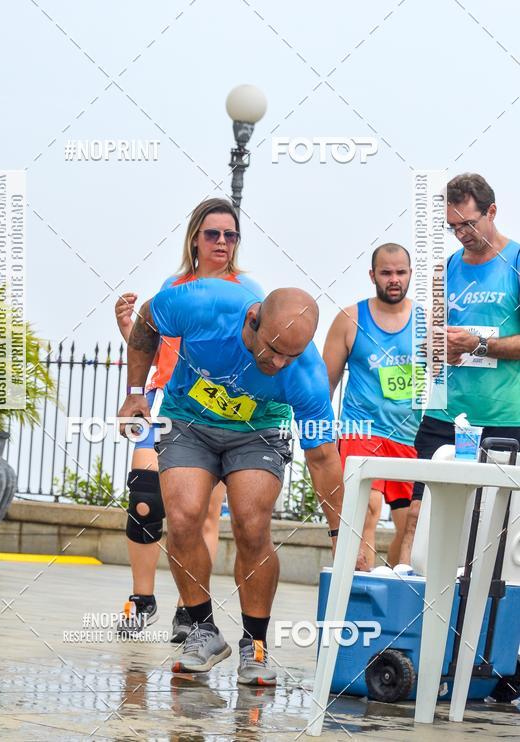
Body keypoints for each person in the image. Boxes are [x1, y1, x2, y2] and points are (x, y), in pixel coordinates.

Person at [119, 280, 349, 686]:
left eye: (289, 356)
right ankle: (203, 630)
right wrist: (136, 392)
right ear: (253, 319)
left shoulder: (306, 374)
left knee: (251, 522)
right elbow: (148, 320)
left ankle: (255, 646)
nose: (279, 363)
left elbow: (323, 457)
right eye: (273, 350)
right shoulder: (205, 306)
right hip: (189, 421)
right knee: (185, 515)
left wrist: (339, 533)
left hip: (258, 431)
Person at [115, 197, 268, 642]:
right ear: (195, 239)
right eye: (213, 234)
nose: (222, 242)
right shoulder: (174, 285)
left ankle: (191, 610)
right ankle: (143, 599)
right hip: (173, 404)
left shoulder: (248, 291)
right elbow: (157, 346)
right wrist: (131, 338)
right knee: (146, 496)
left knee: (201, 513)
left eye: (230, 235)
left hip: (225, 410)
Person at [399, 173, 520, 564]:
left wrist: (480, 344)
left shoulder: (514, 262)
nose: (461, 234)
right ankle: (415, 612)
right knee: (419, 518)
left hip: (504, 417)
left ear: (492, 212)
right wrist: (436, 348)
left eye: (468, 223)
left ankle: (481, 618)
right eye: (453, 227)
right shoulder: (443, 270)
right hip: (444, 414)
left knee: (494, 533)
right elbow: (432, 338)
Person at [323, 244, 421, 569]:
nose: (394, 279)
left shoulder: (427, 324)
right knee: (367, 508)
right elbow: (326, 385)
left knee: (410, 524)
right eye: (386, 272)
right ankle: (355, 590)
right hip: (361, 430)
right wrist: (319, 441)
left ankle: (393, 590)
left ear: (410, 274)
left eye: (400, 272)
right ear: (373, 275)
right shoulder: (350, 319)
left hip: (409, 436)